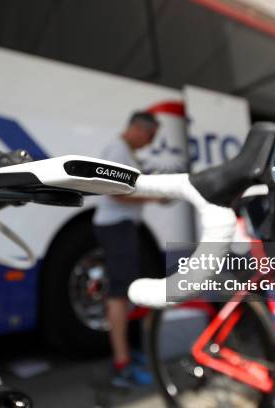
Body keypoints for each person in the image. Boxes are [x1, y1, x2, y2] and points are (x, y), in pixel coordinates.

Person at [93, 111, 161, 387]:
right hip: (117, 226)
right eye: (150, 135)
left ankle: (125, 355)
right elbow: (115, 191)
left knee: (125, 291)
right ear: (137, 128)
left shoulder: (125, 153)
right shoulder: (117, 150)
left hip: (122, 227)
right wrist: (157, 196)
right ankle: (121, 364)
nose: (150, 142)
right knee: (119, 294)